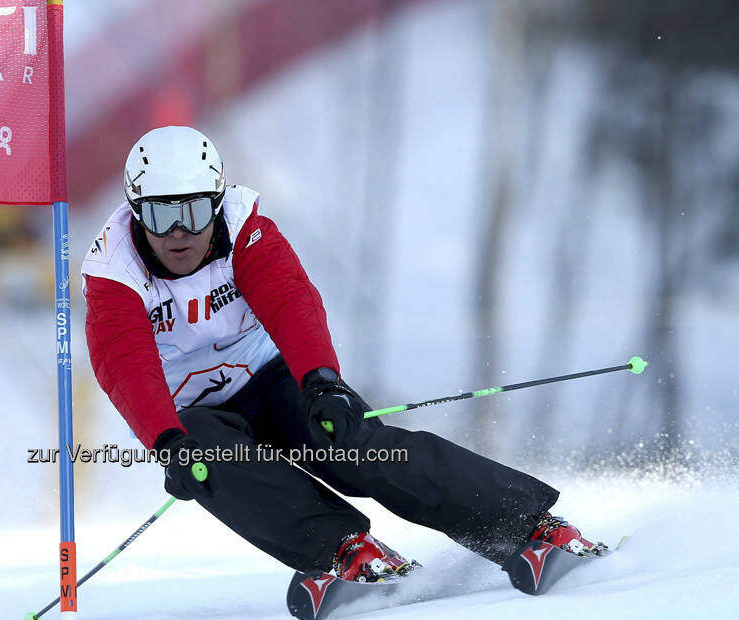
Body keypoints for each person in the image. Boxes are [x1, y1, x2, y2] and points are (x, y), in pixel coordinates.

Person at [81, 125, 602, 583]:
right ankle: (347, 552)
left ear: (217, 203)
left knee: (350, 443)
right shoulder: (115, 271)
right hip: (192, 412)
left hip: (271, 376)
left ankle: (530, 524)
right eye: (160, 213)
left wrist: (323, 382)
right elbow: (124, 365)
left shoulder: (245, 229)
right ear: (135, 209)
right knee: (208, 460)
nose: (178, 231)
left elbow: (291, 302)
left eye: (194, 212)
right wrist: (166, 440)